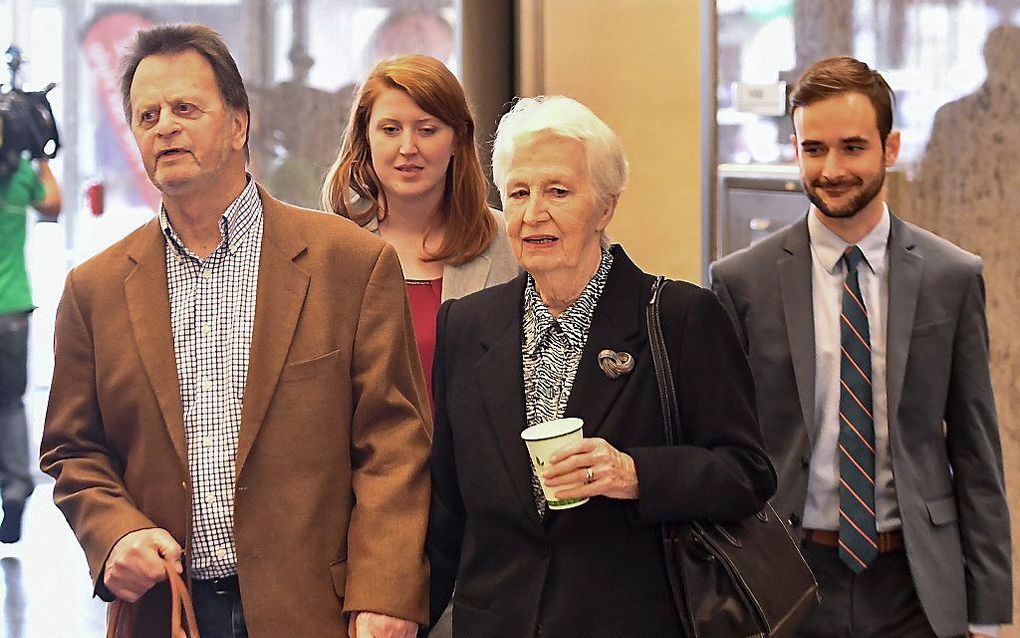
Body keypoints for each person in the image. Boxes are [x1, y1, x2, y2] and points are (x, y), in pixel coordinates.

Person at [39, 24, 430, 638]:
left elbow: (394, 442)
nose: (165, 124)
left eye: (186, 107)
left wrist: (386, 591)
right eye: (148, 114)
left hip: (315, 610)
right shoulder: (95, 289)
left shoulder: (349, 264)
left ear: (239, 123)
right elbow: (73, 448)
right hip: (167, 612)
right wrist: (115, 532)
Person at [425, 95, 776, 637]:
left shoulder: (680, 317)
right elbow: (446, 508)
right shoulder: (466, 327)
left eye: (558, 191)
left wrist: (634, 473)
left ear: (606, 207)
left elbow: (747, 473)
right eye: (518, 192)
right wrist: (406, 614)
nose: (533, 213)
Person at [710, 56, 1012, 638]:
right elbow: (722, 446)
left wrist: (988, 613)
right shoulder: (741, 281)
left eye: (852, 147)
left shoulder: (951, 276)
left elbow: (977, 453)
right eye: (813, 149)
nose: (831, 169)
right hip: (784, 571)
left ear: (890, 148)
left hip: (914, 581)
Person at [322, 53, 518, 408]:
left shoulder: (512, 240)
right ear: (365, 137)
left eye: (427, 130)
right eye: (390, 129)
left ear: (458, 139)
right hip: (371, 462)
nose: (407, 148)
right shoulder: (329, 249)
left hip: (480, 461)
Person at [0, 156, 60, 544]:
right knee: (10, 403)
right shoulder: (19, 174)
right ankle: (17, 487)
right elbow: (52, 204)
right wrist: (40, 156)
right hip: (12, 309)